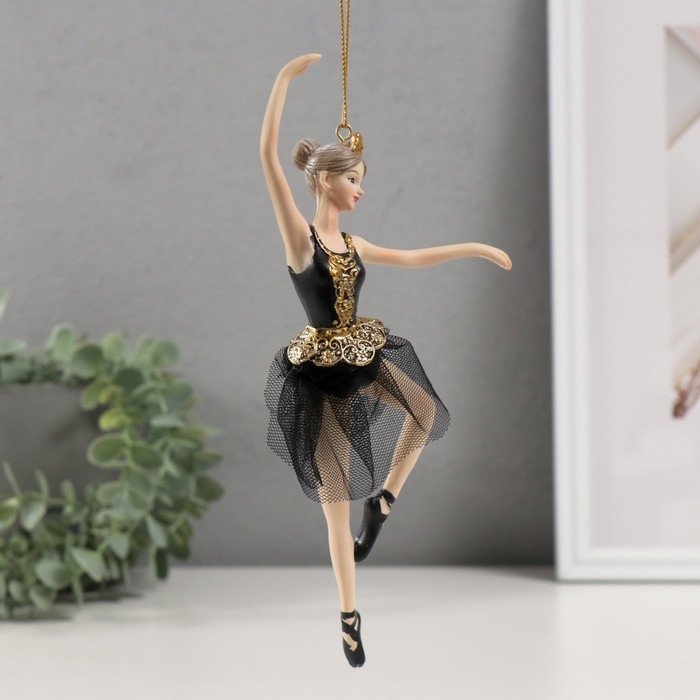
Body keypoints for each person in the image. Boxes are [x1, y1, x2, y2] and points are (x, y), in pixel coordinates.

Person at [260, 54, 512, 668]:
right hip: (319, 372)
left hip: (361, 351)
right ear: (327, 181)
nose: (361, 188)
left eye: (362, 178)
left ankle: (385, 502)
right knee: (334, 504)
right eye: (354, 178)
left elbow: (413, 257)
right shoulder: (302, 241)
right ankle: (349, 615)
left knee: (423, 411)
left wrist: (475, 248)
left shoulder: (355, 242)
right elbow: (267, 156)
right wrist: (283, 82)